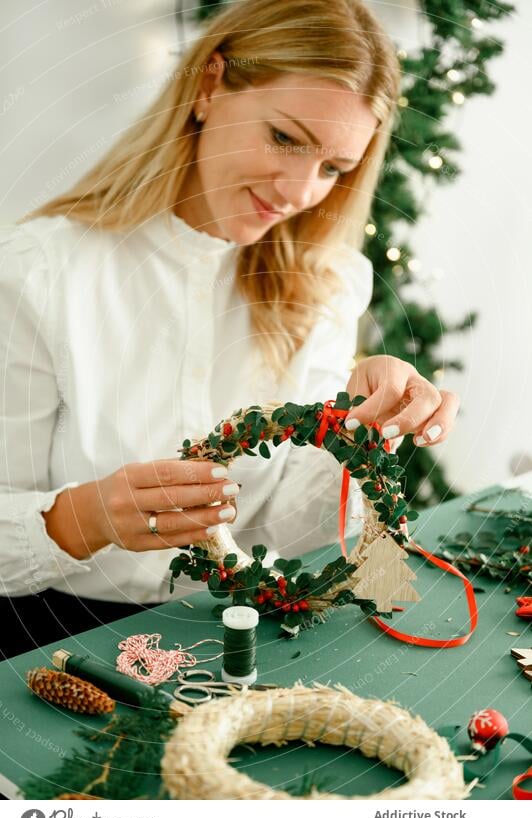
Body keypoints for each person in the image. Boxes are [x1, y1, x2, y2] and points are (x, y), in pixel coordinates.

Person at [0, 0, 459, 659]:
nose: (300, 189)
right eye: (284, 137)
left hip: (240, 632)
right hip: (51, 640)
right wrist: (87, 516)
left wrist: (359, 431)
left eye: (333, 168)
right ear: (211, 85)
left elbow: (286, 526)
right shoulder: (37, 276)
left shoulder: (329, 283)